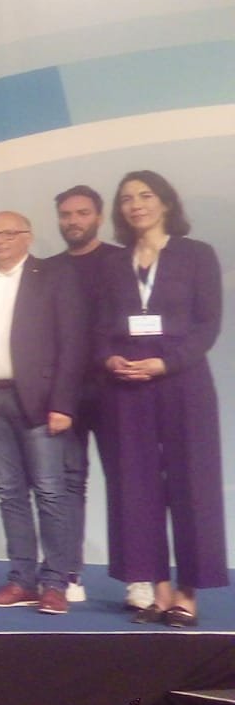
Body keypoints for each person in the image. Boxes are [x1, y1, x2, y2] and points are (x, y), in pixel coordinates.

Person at [96, 171, 226, 627]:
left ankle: (188, 594)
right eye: (126, 198)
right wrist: (109, 358)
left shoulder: (197, 255)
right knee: (135, 488)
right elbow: (100, 326)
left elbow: (208, 325)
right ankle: (159, 591)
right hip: (127, 387)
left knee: (192, 484)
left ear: (166, 202)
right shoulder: (113, 263)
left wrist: (165, 364)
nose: (136, 204)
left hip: (183, 382)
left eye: (145, 195)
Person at [0, 211, 86, 616]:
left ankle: (55, 583)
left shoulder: (52, 276)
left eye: (8, 233)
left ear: (27, 236)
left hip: (39, 401)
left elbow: (72, 343)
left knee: (50, 492)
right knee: (9, 492)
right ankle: (21, 579)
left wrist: (63, 403)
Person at [46, 184, 126, 605]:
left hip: (119, 391)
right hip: (67, 395)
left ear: (99, 215)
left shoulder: (123, 260)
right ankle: (70, 573)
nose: (73, 221)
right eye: (66, 214)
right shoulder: (48, 270)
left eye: (82, 213)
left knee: (127, 482)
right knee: (69, 483)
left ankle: (139, 576)